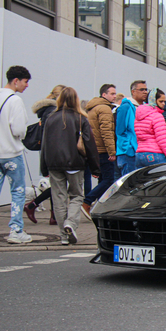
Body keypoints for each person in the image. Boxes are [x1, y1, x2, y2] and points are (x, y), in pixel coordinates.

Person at [41, 87, 101, 245]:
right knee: (76, 196)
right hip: (75, 163)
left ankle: (63, 236)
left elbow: (44, 144)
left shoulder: (51, 118)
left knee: (58, 198)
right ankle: (71, 224)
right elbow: (90, 144)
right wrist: (95, 168)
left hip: (54, 164)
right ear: (76, 100)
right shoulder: (81, 118)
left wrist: (43, 166)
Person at [0, 66, 32, 241]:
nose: (26, 86)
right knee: (17, 192)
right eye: (25, 82)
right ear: (16, 81)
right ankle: (16, 231)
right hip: (11, 153)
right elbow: (19, 130)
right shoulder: (14, 100)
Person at [24, 84, 66, 226]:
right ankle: (33, 205)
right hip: (54, 152)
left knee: (57, 184)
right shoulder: (52, 111)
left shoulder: (48, 111)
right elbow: (51, 135)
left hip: (50, 152)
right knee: (58, 185)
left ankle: (52, 215)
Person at [82, 84, 117, 220]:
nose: (114, 96)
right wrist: (112, 151)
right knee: (108, 180)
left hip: (94, 149)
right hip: (103, 150)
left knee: (102, 179)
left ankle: (98, 208)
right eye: (112, 93)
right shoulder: (104, 108)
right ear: (104, 95)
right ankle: (87, 202)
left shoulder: (92, 108)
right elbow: (106, 132)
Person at [134, 88, 166, 168]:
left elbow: (138, 138)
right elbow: (163, 141)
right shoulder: (157, 116)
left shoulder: (138, 117)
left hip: (139, 154)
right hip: (155, 154)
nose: (164, 104)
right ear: (153, 101)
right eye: (161, 101)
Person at [116, 80, 148, 175]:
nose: (145, 92)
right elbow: (120, 130)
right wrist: (128, 148)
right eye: (142, 89)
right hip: (129, 153)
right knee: (129, 185)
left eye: (146, 89)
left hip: (141, 152)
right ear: (133, 91)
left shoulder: (145, 107)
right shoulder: (126, 107)